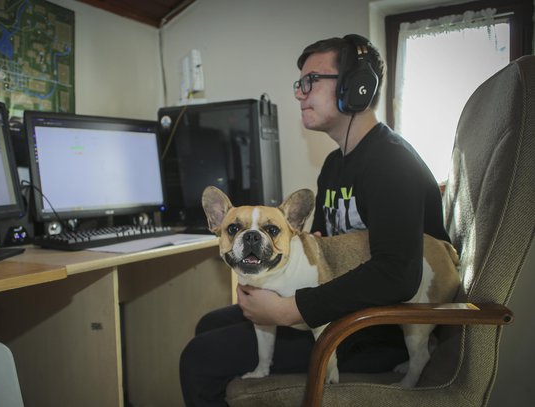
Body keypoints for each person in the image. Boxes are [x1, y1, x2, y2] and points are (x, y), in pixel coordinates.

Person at [179, 34, 450, 406]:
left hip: (373, 325)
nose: (299, 93)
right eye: (299, 84)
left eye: (310, 82)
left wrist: (290, 309)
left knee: (201, 356)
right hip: (337, 308)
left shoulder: (392, 163)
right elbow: (319, 244)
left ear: (356, 87)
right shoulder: (333, 166)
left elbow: (398, 274)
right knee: (209, 325)